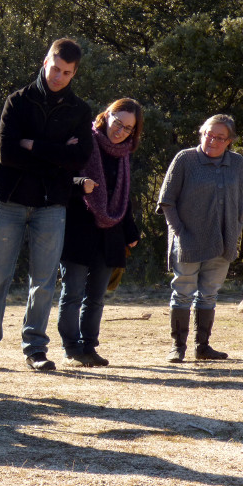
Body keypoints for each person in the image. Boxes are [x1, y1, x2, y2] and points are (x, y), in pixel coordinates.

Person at [0, 38, 92, 372]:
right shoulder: (17, 101)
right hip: (10, 200)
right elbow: (8, 155)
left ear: (74, 73)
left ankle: (35, 350)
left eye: (67, 73)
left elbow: (78, 159)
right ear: (46, 61)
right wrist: (56, 151)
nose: (59, 76)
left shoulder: (80, 110)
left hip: (52, 204)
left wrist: (34, 146)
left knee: (43, 281)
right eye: (56, 68)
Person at [157, 114, 243, 362]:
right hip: (188, 240)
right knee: (182, 293)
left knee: (209, 294)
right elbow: (166, 201)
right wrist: (179, 232)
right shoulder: (185, 159)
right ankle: (177, 347)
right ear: (201, 133)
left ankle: (203, 347)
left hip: (223, 242)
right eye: (207, 134)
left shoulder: (237, 163)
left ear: (230, 141)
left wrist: (234, 230)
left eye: (219, 137)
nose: (211, 140)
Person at [58, 98, 143, 367]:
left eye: (128, 128)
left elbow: (124, 199)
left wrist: (131, 231)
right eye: (118, 122)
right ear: (107, 116)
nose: (121, 131)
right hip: (77, 230)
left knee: (95, 297)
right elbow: (57, 179)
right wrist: (79, 184)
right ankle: (71, 349)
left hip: (111, 235)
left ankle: (89, 347)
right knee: (72, 294)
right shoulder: (82, 141)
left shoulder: (125, 154)